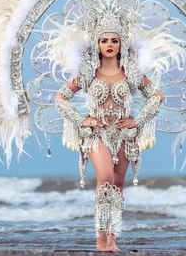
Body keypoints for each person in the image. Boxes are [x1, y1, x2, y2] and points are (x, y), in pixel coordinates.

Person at [55, 20, 164, 252]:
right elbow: (60, 98)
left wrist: (138, 120)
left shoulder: (132, 74)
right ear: (97, 45)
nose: (109, 44)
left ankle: (112, 238)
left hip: (125, 136)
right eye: (104, 40)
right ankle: (100, 236)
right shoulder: (87, 74)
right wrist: (82, 120)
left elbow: (156, 96)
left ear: (121, 44)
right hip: (97, 135)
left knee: (118, 183)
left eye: (114, 40)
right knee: (105, 177)